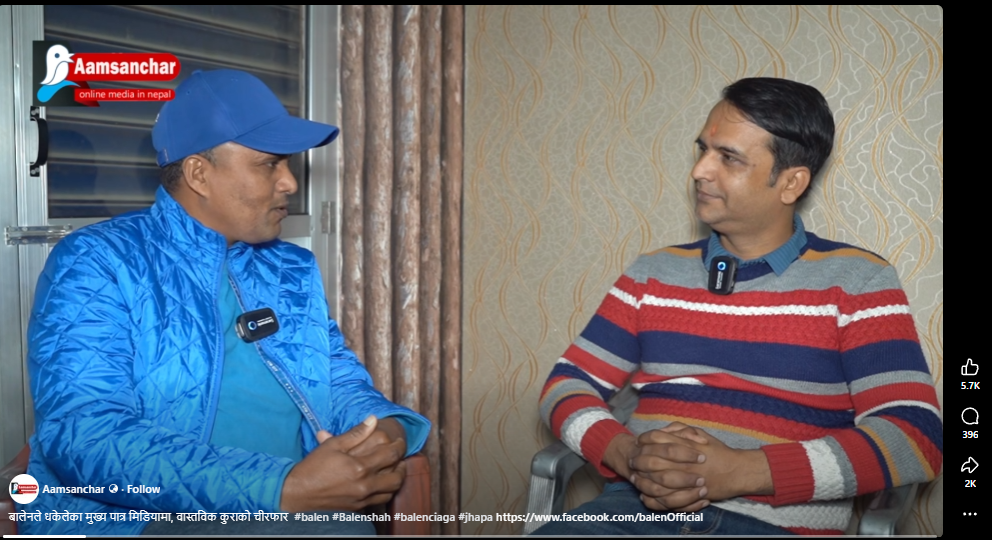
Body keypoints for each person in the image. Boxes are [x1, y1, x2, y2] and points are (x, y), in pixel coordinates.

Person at [20, 69, 430, 536]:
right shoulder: (98, 261)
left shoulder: (290, 267)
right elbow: (85, 437)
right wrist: (282, 487)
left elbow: (334, 379)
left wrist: (386, 430)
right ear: (199, 174)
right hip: (144, 517)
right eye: (269, 164)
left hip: (292, 508)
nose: (290, 183)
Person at [534, 78, 942, 535]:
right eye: (703, 150)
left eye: (728, 158)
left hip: (776, 526)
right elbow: (566, 383)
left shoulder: (858, 281)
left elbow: (915, 437)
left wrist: (742, 472)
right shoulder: (653, 273)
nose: (700, 171)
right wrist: (624, 453)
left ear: (790, 182)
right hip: (630, 514)